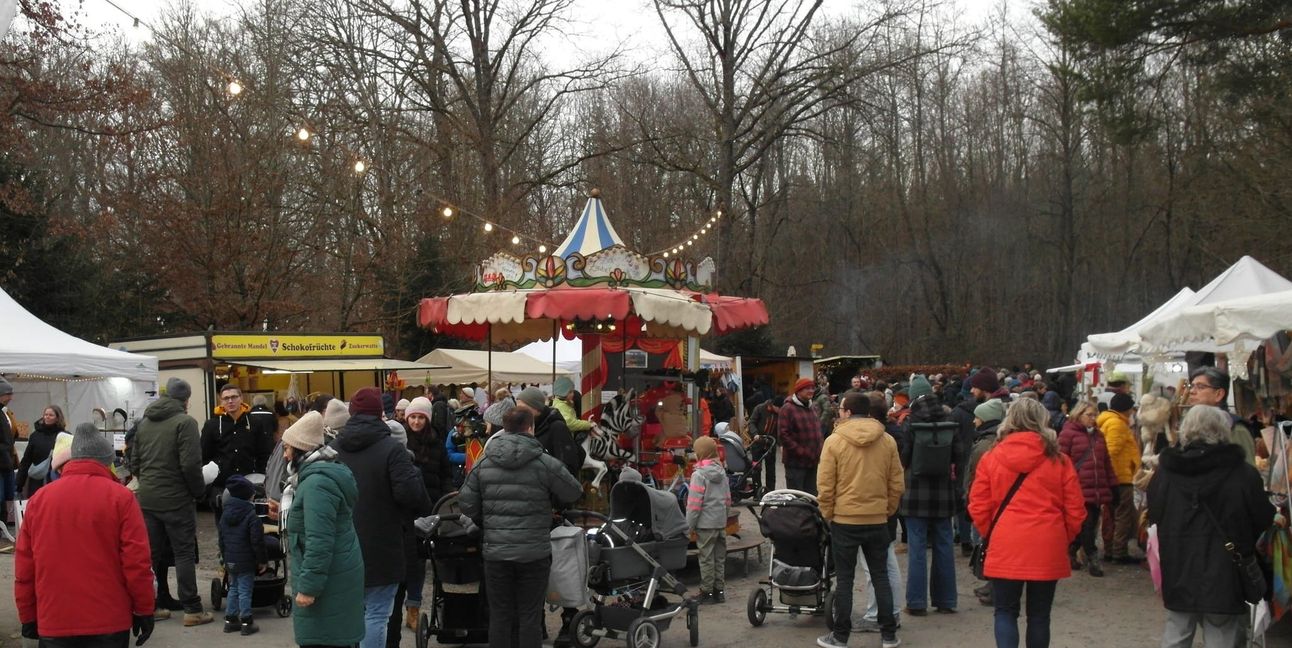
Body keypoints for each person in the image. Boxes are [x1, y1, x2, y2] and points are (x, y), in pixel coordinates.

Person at [15, 422, 156, 648]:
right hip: (109, 620)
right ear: (106, 461)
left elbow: (25, 566)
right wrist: (144, 609)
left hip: (55, 619)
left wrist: (27, 614)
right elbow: (137, 563)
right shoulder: (121, 498)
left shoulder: (39, 500)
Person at [1148, 405, 1274, 648]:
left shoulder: (1166, 472)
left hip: (1178, 562)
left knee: (1177, 627)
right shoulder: (1242, 473)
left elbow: (1154, 513)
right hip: (1225, 566)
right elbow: (1262, 516)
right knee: (1221, 630)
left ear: (1186, 430)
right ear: (1223, 431)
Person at [458, 408, 583, 648]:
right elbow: (573, 492)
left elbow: (466, 504)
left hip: (496, 553)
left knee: (500, 615)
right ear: (530, 428)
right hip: (534, 553)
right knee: (530, 616)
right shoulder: (544, 462)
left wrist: (487, 519)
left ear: (503, 428)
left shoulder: (484, 461)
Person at [969, 398, 1086, 648]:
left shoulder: (992, 458)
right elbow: (1076, 509)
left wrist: (991, 533)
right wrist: (1062, 536)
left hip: (1006, 540)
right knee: (1040, 615)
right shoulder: (1060, 461)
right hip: (1047, 541)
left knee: (1005, 611)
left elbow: (978, 505)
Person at [333, 387, 433, 648]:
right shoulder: (392, 450)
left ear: (352, 413)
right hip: (383, 543)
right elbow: (411, 496)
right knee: (377, 613)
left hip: (343, 543)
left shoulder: (333, 450)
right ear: (380, 414)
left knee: (351, 612)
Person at [816, 392, 904, 648]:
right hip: (877, 518)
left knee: (845, 579)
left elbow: (825, 485)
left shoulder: (834, 441)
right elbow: (896, 482)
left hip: (845, 519)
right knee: (880, 576)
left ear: (846, 412)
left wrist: (828, 513)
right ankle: (888, 635)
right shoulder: (886, 440)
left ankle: (840, 636)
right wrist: (886, 510)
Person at [281, 411, 366, 648]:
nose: (285, 455)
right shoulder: (317, 477)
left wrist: (308, 588)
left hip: (328, 582)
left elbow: (319, 540)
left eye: (287, 448)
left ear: (300, 449)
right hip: (335, 574)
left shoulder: (316, 483)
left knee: (324, 640)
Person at [132, 377, 213, 626]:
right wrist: (199, 492)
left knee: (150, 555)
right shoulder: (185, 422)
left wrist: (148, 482)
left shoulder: (145, 422)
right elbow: (190, 464)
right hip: (177, 499)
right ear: (186, 400)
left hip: (147, 498)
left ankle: (150, 606)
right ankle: (192, 609)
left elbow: (134, 461)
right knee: (183, 553)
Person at [897, 375, 963, 615]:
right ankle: (946, 600)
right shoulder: (950, 421)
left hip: (916, 493)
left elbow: (904, 459)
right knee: (944, 545)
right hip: (944, 492)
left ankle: (916, 603)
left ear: (913, 397)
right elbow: (958, 456)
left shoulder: (910, 422)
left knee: (917, 548)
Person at [398, 396, 454, 632]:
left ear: (428, 419)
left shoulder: (437, 443)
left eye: (421, 417)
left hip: (429, 508)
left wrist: (446, 499)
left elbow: (445, 474)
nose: (416, 421)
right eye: (413, 416)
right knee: (402, 560)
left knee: (419, 562)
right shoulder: (400, 441)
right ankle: (397, 606)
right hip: (404, 509)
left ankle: (413, 607)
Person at [1057, 401, 1114, 577]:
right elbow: (1060, 462)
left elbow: (1106, 463)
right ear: (1078, 414)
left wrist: (1113, 485)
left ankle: (1071, 551)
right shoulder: (1068, 434)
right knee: (1087, 525)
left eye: (1095, 415)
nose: (1093, 418)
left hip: (1096, 489)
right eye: (1089, 415)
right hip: (1078, 488)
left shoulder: (1098, 435)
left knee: (1088, 525)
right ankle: (1092, 558)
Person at [201, 384, 276, 497]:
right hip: (221, 486)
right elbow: (204, 455)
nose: (230, 401)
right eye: (226, 398)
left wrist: (261, 476)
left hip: (249, 483)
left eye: (234, 397)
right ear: (221, 401)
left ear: (241, 398)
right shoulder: (212, 425)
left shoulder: (255, 423)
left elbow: (263, 453)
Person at [218, 474, 266, 636]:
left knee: (233, 588)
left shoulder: (225, 515)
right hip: (246, 561)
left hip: (231, 559)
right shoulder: (252, 516)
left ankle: (230, 620)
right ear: (248, 496)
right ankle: (246, 621)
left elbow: (221, 539)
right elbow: (257, 542)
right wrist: (262, 561)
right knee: (245, 590)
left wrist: (225, 557)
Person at [1096, 392, 1141, 563]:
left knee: (1111, 515)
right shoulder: (1117, 424)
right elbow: (1111, 451)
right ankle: (1119, 552)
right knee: (1123, 515)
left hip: (1115, 476)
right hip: (1120, 477)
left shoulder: (1109, 421)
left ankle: (1110, 550)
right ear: (1126, 409)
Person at [686, 436, 731, 603]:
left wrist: (688, 527)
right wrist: (723, 518)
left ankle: (707, 592)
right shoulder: (722, 472)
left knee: (706, 558)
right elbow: (728, 500)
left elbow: (694, 505)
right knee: (719, 558)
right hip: (720, 521)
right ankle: (719, 591)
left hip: (705, 524)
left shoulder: (698, 475)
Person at [1185, 366, 1256, 465]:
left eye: (1200, 387)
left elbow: (1247, 469)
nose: (1192, 391)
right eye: (1191, 386)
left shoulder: (1234, 428)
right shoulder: (1191, 426)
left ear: (1219, 394)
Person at [779, 377, 824, 494]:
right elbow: (784, 435)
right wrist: (802, 452)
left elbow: (817, 430)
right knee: (797, 497)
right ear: (798, 391)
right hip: (796, 464)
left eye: (812, 388)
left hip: (812, 462)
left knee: (811, 496)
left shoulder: (812, 407)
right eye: (807, 388)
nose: (811, 391)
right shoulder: (787, 408)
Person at [17, 404, 65, 497]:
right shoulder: (35, 435)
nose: (47, 417)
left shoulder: (64, 436)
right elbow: (26, 460)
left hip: (56, 479)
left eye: (51, 415)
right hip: (36, 480)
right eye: (46, 414)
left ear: (57, 418)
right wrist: (19, 483)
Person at [748, 396, 782, 491]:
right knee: (756, 468)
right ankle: (757, 490)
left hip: (771, 444)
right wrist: (755, 434)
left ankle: (770, 491)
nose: (780, 410)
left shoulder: (780, 414)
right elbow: (751, 422)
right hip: (758, 443)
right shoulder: (760, 408)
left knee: (771, 470)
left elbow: (780, 430)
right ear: (773, 405)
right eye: (779, 408)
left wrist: (781, 444)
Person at [551, 377, 592, 443]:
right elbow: (569, 423)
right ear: (563, 392)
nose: (573, 394)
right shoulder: (561, 406)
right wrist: (588, 424)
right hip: (565, 440)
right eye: (570, 392)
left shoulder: (565, 404)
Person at [0, 380, 18, 528]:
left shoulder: (4, 413)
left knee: (8, 496)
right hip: (2, 461)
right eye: (8, 394)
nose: (11, 398)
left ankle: (6, 524)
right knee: (1, 497)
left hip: (7, 462)